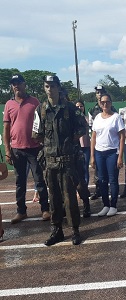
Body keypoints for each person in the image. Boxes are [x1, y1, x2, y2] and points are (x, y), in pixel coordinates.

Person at [32, 75, 87, 246]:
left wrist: (67, 143)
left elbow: (82, 128)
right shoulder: (40, 109)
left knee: (70, 198)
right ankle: (57, 231)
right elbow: (36, 134)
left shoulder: (70, 108)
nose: (49, 89)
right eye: (47, 86)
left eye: (52, 86)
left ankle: (75, 230)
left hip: (67, 160)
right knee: (53, 198)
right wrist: (50, 146)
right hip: (50, 162)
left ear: (58, 88)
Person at [3, 74, 50, 224]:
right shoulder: (9, 104)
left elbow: (42, 124)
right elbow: (6, 128)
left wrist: (42, 142)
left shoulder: (34, 102)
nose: (16, 86)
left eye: (18, 83)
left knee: (39, 180)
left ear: (24, 85)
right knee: (19, 182)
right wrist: (8, 150)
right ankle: (21, 211)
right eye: (13, 84)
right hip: (17, 149)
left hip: (34, 148)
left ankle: (45, 209)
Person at [90, 94, 125, 217]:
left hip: (112, 153)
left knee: (113, 180)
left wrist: (120, 156)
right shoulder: (97, 117)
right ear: (99, 103)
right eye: (102, 102)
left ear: (111, 103)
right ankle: (105, 205)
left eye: (107, 102)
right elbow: (93, 137)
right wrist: (92, 156)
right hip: (99, 153)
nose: (105, 104)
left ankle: (113, 205)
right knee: (102, 180)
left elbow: (122, 137)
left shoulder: (116, 117)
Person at [88, 85, 117, 200]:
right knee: (98, 174)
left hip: (111, 148)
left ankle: (112, 197)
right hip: (98, 146)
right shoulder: (92, 110)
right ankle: (98, 190)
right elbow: (91, 128)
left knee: (111, 175)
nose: (99, 94)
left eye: (101, 92)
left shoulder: (113, 110)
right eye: (97, 92)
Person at [74, 99, 91, 218]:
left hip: (80, 149)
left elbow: (86, 130)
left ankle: (86, 204)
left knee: (82, 177)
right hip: (66, 151)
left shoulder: (82, 117)